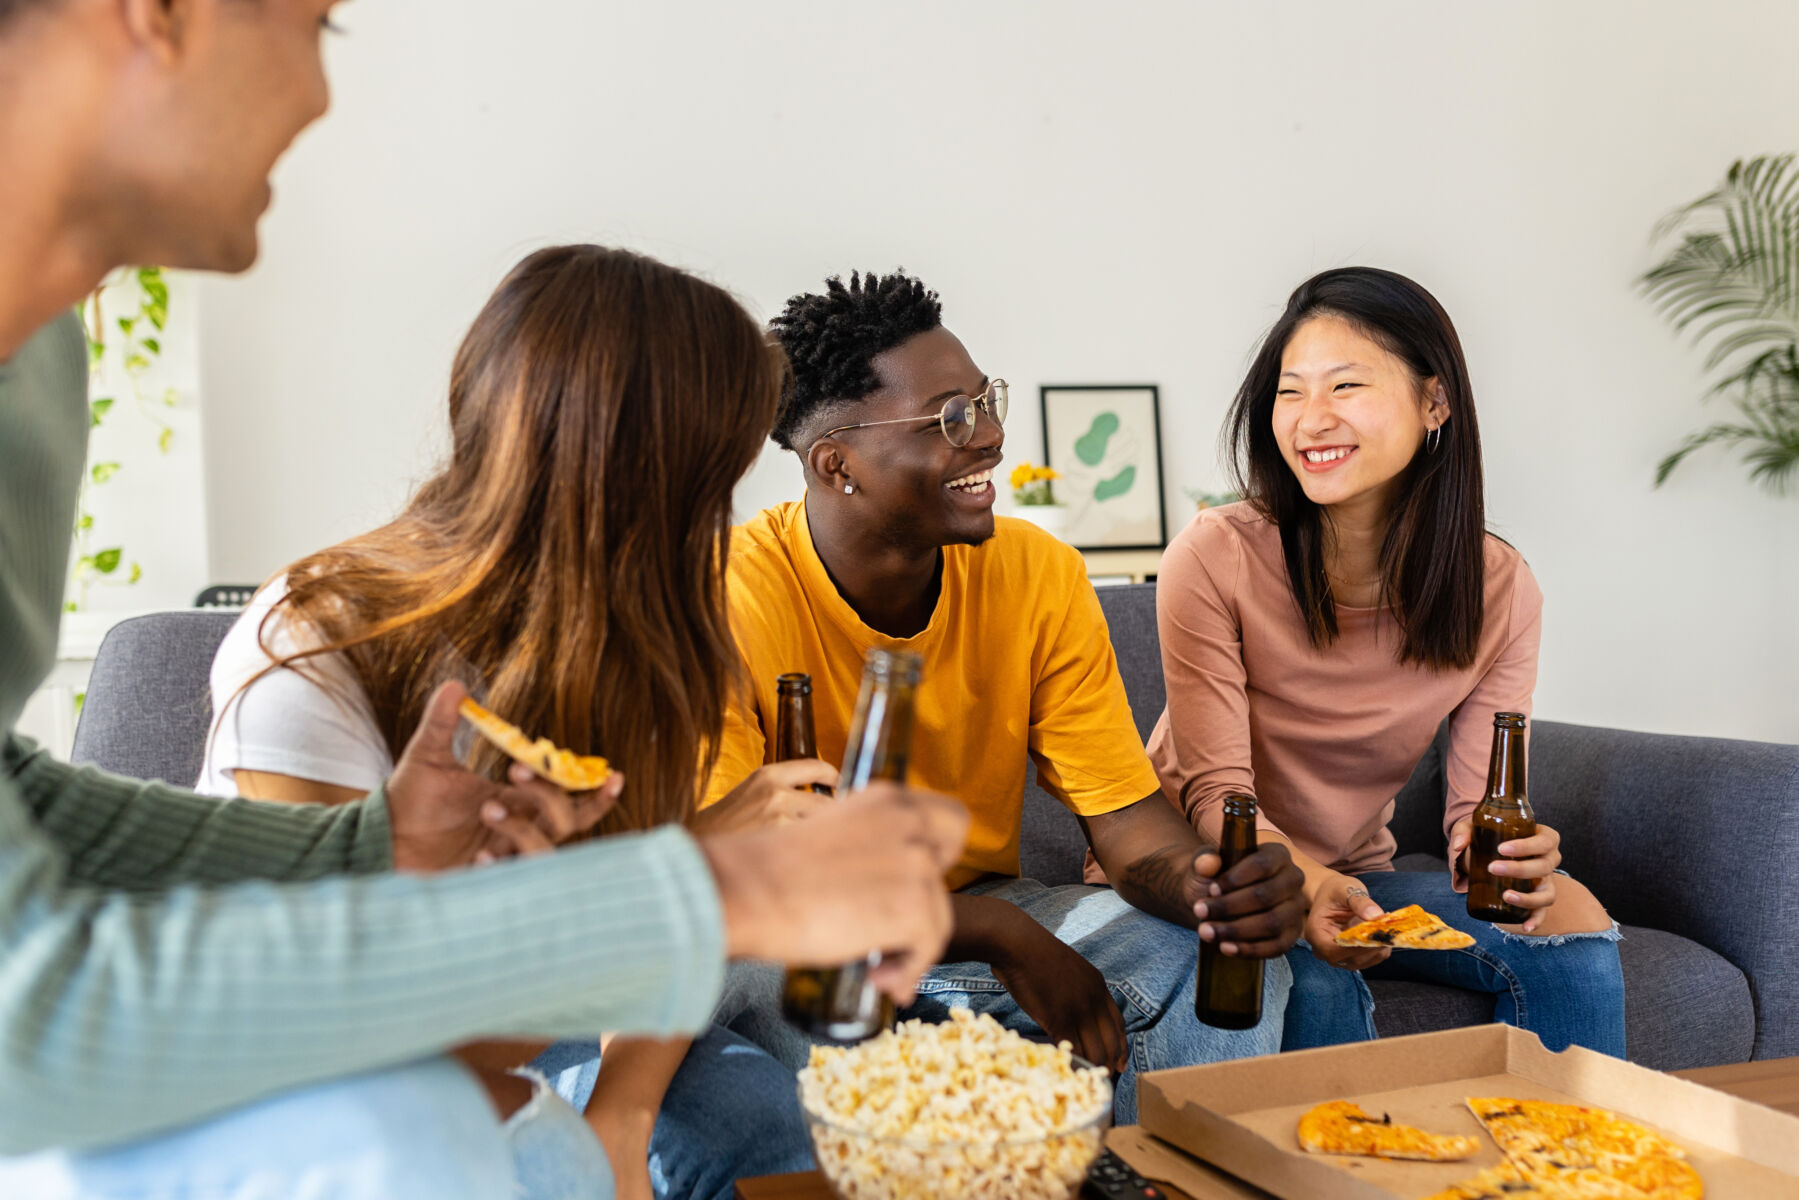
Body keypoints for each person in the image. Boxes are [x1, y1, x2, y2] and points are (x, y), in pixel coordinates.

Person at [0, 3, 967, 1197]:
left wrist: (377, 847)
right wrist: (703, 886)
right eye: (317, 25)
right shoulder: (316, 639)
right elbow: (39, 1014)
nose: (319, 96)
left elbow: (17, 799)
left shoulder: (35, 365)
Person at [198, 243, 835, 1200]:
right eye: (709, 484)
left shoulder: (644, 645)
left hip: (534, 1014)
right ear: (629, 476)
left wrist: (621, 1116)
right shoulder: (317, 646)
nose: (719, 521)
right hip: (309, 1091)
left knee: (778, 1115)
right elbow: (358, 1047)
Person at [704, 271, 1310, 1123]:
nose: (988, 436)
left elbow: (1129, 828)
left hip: (975, 908)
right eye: (949, 418)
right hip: (802, 926)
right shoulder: (727, 595)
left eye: (985, 401)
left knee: (1196, 949)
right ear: (836, 464)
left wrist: (1214, 892)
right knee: (778, 976)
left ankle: (1141, 1179)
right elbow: (742, 882)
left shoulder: (1036, 573)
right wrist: (1002, 937)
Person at [1146, 266, 1625, 1056]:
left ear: (1434, 403)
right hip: (1208, 874)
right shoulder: (1215, 556)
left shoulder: (1498, 588)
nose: (1309, 420)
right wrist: (1306, 890)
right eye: (1289, 392)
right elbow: (1214, 795)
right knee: (1317, 983)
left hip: (1355, 874)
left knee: (1573, 944)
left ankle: (1559, 1170)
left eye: (1344, 387)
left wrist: (1510, 859)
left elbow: (1478, 811)